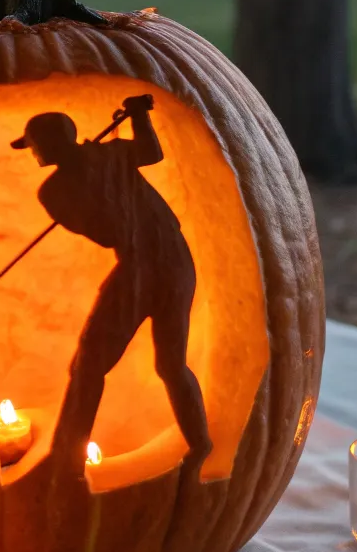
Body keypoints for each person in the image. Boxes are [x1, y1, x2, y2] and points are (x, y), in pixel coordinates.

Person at [11, 94, 212, 480]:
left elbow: (150, 154)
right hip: (154, 261)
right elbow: (107, 230)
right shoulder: (57, 191)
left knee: (118, 364)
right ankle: (70, 453)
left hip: (160, 262)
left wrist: (137, 117)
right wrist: (96, 174)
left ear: (48, 145)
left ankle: (70, 459)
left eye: (33, 145)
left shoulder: (99, 162)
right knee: (130, 364)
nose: (32, 152)